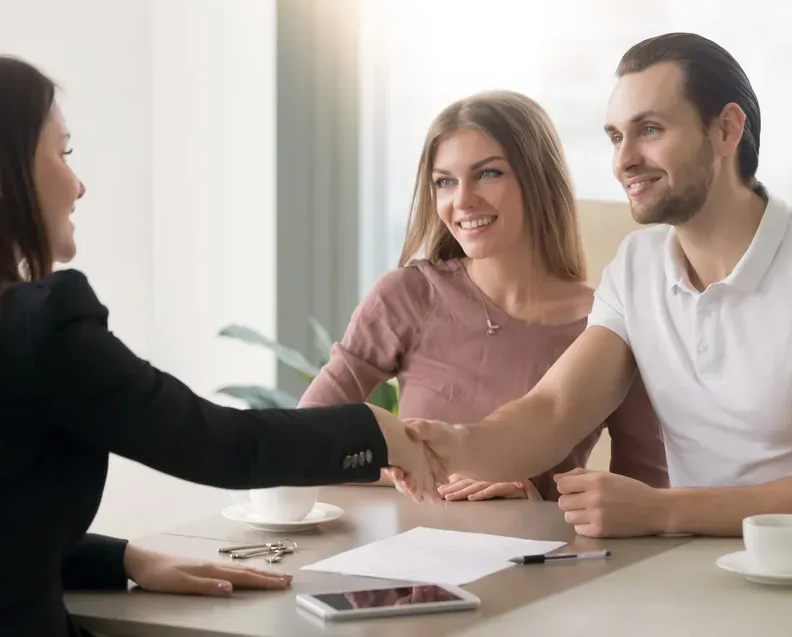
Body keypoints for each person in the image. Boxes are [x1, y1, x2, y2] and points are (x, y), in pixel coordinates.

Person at [0, 56, 442, 637]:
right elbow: (217, 443)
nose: (78, 184)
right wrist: (373, 432)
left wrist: (125, 558)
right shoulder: (41, 326)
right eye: (64, 152)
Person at [404, 32, 792, 539]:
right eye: (615, 137)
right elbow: (553, 410)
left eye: (649, 129)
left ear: (725, 130)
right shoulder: (637, 267)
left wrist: (665, 512)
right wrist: (441, 443)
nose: (624, 160)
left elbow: (659, 507)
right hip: (692, 576)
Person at [299, 90, 667, 501]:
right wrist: (419, 472)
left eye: (488, 174)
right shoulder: (408, 295)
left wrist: (533, 493)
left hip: (541, 558)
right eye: (445, 182)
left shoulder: (609, 322)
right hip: (409, 554)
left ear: (537, 178)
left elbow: (644, 491)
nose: (462, 200)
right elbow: (303, 440)